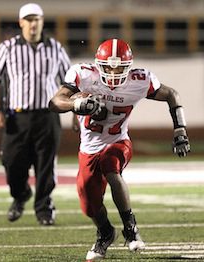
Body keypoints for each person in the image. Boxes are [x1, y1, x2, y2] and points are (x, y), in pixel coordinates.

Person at [49, 38, 191, 260]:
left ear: (129, 67)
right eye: (108, 66)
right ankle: (105, 233)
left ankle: (130, 228)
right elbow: (55, 101)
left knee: (111, 167)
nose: (114, 72)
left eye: (119, 67)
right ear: (98, 65)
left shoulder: (139, 80)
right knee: (88, 203)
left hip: (118, 141)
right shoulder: (84, 75)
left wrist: (180, 130)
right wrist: (75, 105)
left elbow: (172, 95)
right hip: (89, 148)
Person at [0, 3, 71, 226]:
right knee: (12, 162)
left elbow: (70, 82)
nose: (33, 24)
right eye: (29, 19)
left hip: (48, 115)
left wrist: (74, 111)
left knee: (46, 164)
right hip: (17, 116)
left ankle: (43, 207)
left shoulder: (55, 48)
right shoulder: (8, 47)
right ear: (21, 22)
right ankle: (20, 195)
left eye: (37, 19)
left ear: (42, 21)